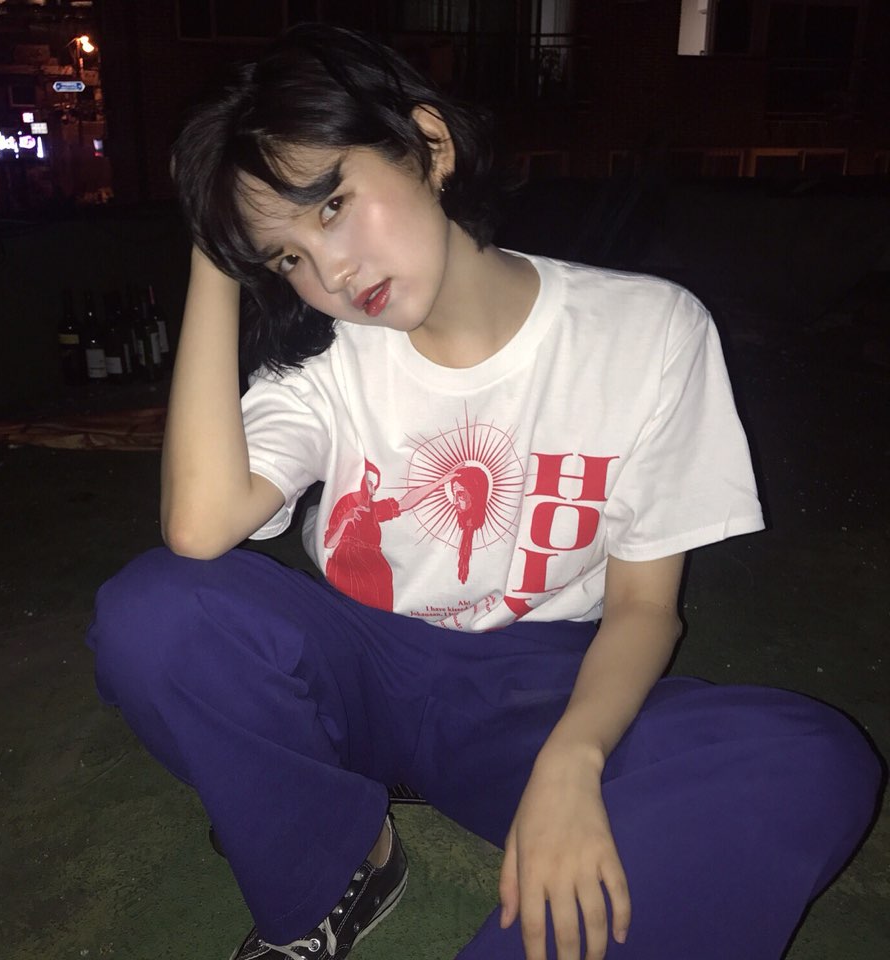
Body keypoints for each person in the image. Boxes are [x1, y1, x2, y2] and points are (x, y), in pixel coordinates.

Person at [87, 22, 882, 960]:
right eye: (285, 258)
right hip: (357, 671)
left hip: (535, 689)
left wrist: (572, 760)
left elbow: (644, 606)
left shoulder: (648, 331)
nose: (330, 272)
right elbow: (197, 527)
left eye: (332, 205)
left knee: (811, 759)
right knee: (155, 610)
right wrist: (213, 253)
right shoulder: (325, 363)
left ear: (430, 145)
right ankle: (339, 861)